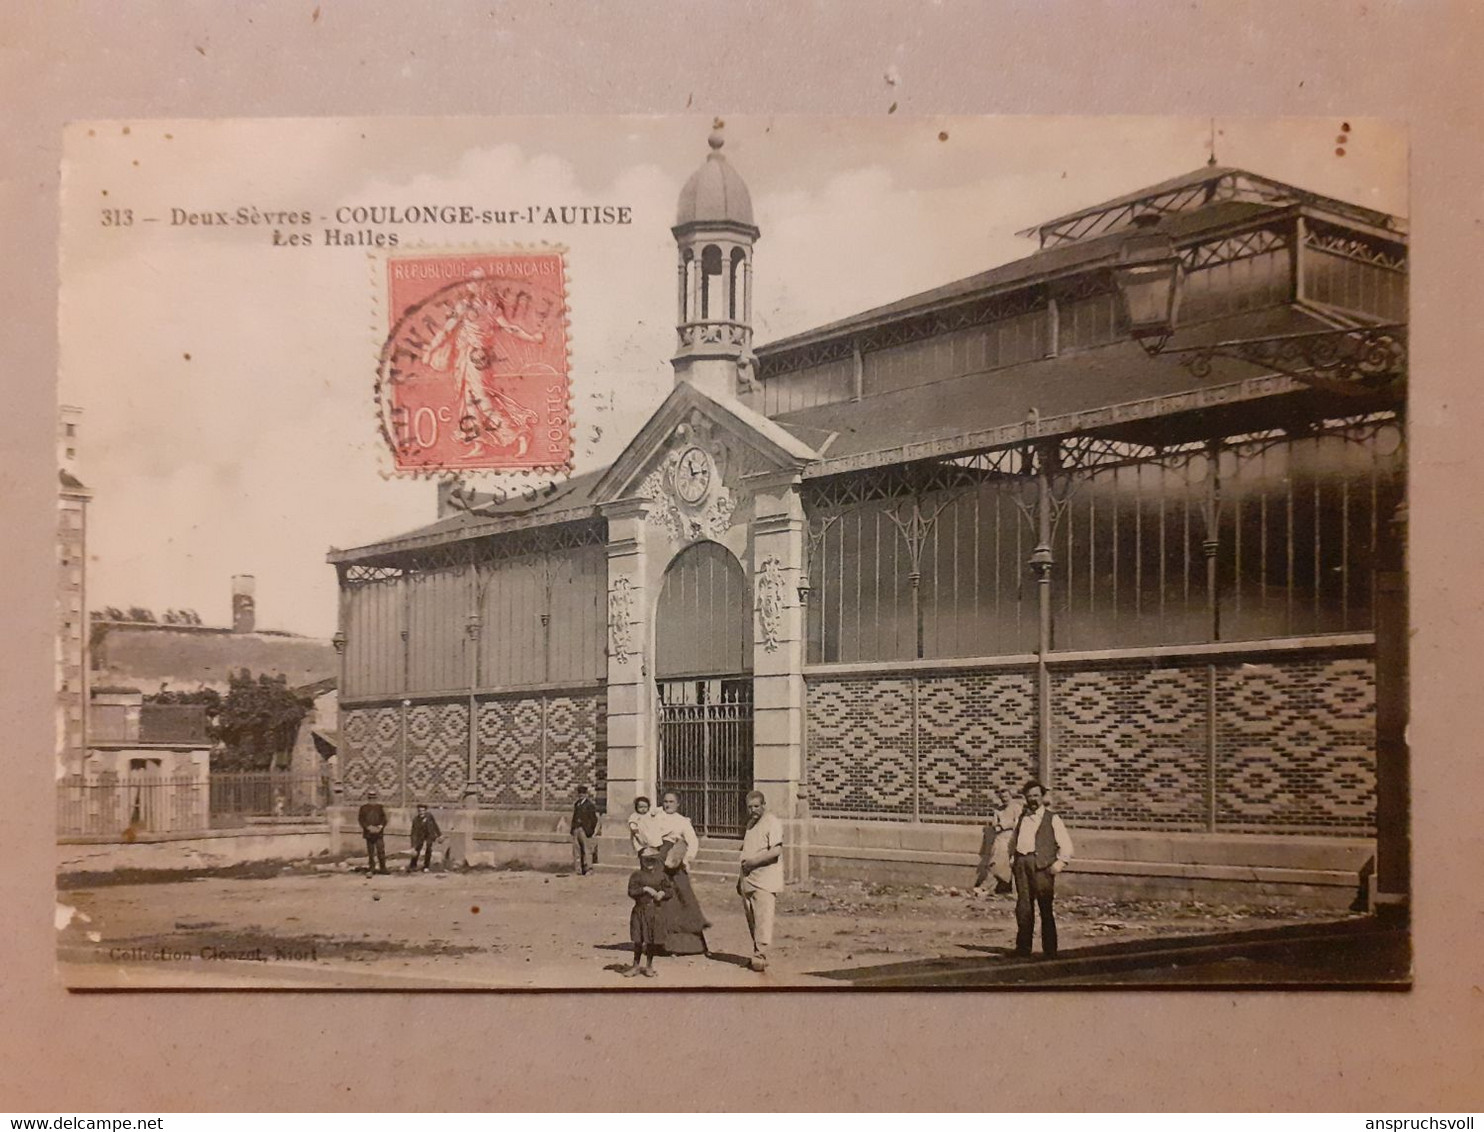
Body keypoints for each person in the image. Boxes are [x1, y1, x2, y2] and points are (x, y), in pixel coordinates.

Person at [1009, 780, 1074, 958]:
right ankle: (1023, 948)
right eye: (1029, 796)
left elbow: (1066, 846)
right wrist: (1013, 859)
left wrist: (1058, 865)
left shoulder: (1052, 818)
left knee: (1045, 908)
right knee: (1023, 908)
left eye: (1036, 796)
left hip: (1042, 868)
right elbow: (1013, 840)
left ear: (1043, 797)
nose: (1033, 800)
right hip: (1023, 865)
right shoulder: (1022, 818)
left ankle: (1050, 950)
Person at [649, 791, 708, 956]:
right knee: (656, 900)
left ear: (678, 804)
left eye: (671, 802)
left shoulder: (682, 821)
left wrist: (685, 859)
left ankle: (686, 945)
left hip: (674, 862)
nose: (668, 804)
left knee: (680, 900)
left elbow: (693, 842)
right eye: (665, 801)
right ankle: (658, 944)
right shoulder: (655, 817)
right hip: (657, 860)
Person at [738, 789, 785, 973]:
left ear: (764, 805)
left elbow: (775, 851)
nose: (753, 810)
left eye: (757, 806)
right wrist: (740, 878)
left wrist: (752, 863)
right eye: (750, 807)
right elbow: (746, 851)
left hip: (765, 879)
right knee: (752, 919)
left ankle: (761, 955)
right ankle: (757, 951)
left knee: (763, 918)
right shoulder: (750, 824)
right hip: (748, 879)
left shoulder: (772, 822)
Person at [622, 846, 672, 978]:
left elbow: (670, 891)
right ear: (641, 861)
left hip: (654, 912)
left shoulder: (662, 876)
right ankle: (635, 965)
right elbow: (631, 892)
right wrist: (645, 889)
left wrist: (662, 893)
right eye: (646, 860)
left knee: (651, 940)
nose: (649, 863)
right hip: (640, 911)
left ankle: (649, 966)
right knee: (638, 940)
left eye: (653, 860)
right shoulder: (636, 875)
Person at [972, 791, 1023, 896]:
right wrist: (997, 826)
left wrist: (1005, 825)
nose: (1004, 799)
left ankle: (985, 887)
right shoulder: (998, 810)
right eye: (1002, 797)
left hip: (1010, 838)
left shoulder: (1016, 808)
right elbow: (994, 825)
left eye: (1006, 796)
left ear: (1010, 796)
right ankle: (997, 889)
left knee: (999, 864)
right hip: (999, 839)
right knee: (995, 862)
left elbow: (1018, 824)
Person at [569, 785, 601, 875]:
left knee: (587, 850)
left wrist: (590, 830)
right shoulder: (577, 804)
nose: (581, 795)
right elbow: (574, 817)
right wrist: (572, 828)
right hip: (576, 829)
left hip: (585, 829)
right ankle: (578, 869)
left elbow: (593, 819)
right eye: (580, 794)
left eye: (583, 794)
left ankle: (589, 868)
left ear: (586, 794)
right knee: (577, 850)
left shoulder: (589, 805)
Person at [357, 789, 389, 876]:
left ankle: (383, 868)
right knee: (371, 852)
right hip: (369, 833)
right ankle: (372, 868)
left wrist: (380, 827)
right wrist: (368, 827)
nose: (372, 800)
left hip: (378, 833)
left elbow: (384, 819)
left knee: (381, 851)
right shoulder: (363, 808)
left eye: (374, 798)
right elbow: (361, 820)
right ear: (368, 798)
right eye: (370, 798)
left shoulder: (380, 807)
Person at [407, 803, 442, 872]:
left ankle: (426, 866)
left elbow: (435, 825)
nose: (421, 812)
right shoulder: (416, 820)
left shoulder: (429, 816)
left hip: (429, 835)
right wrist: (413, 846)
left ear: (425, 811)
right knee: (417, 849)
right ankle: (413, 865)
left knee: (429, 849)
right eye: (420, 811)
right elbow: (414, 833)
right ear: (418, 811)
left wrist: (439, 834)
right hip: (420, 836)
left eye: (423, 811)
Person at [627, 795, 659, 863]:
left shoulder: (649, 814)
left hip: (649, 835)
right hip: (639, 835)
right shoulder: (635, 816)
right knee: (642, 851)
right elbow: (632, 823)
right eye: (640, 807)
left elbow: (657, 812)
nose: (643, 809)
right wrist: (634, 829)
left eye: (645, 807)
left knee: (652, 850)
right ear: (636, 807)